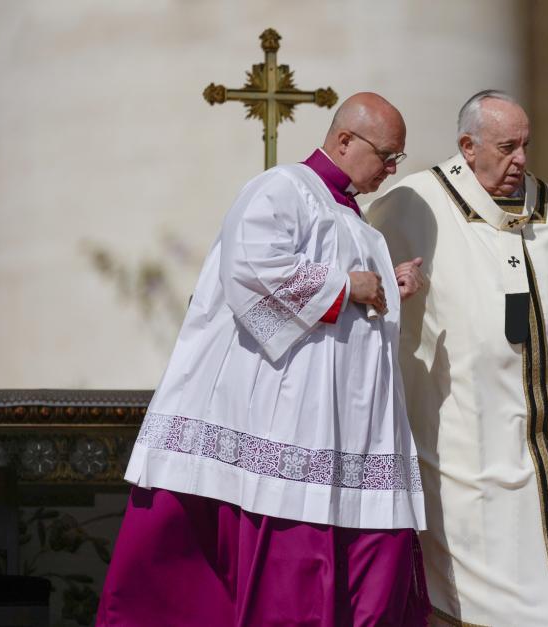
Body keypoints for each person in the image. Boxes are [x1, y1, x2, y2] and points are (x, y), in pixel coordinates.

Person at [97, 92, 430, 626]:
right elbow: (252, 269)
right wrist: (349, 285)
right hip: (288, 421)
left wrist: (390, 283)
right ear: (344, 141)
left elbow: (353, 306)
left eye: (398, 160)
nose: (390, 170)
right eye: (386, 156)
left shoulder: (359, 222)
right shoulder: (283, 189)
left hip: (346, 432)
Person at [368, 90, 548, 627]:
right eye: (507, 147)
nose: (522, 160)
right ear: (467, 146)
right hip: (462, 444)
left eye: (526, 145)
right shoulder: (410, 206)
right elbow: (364, 299)